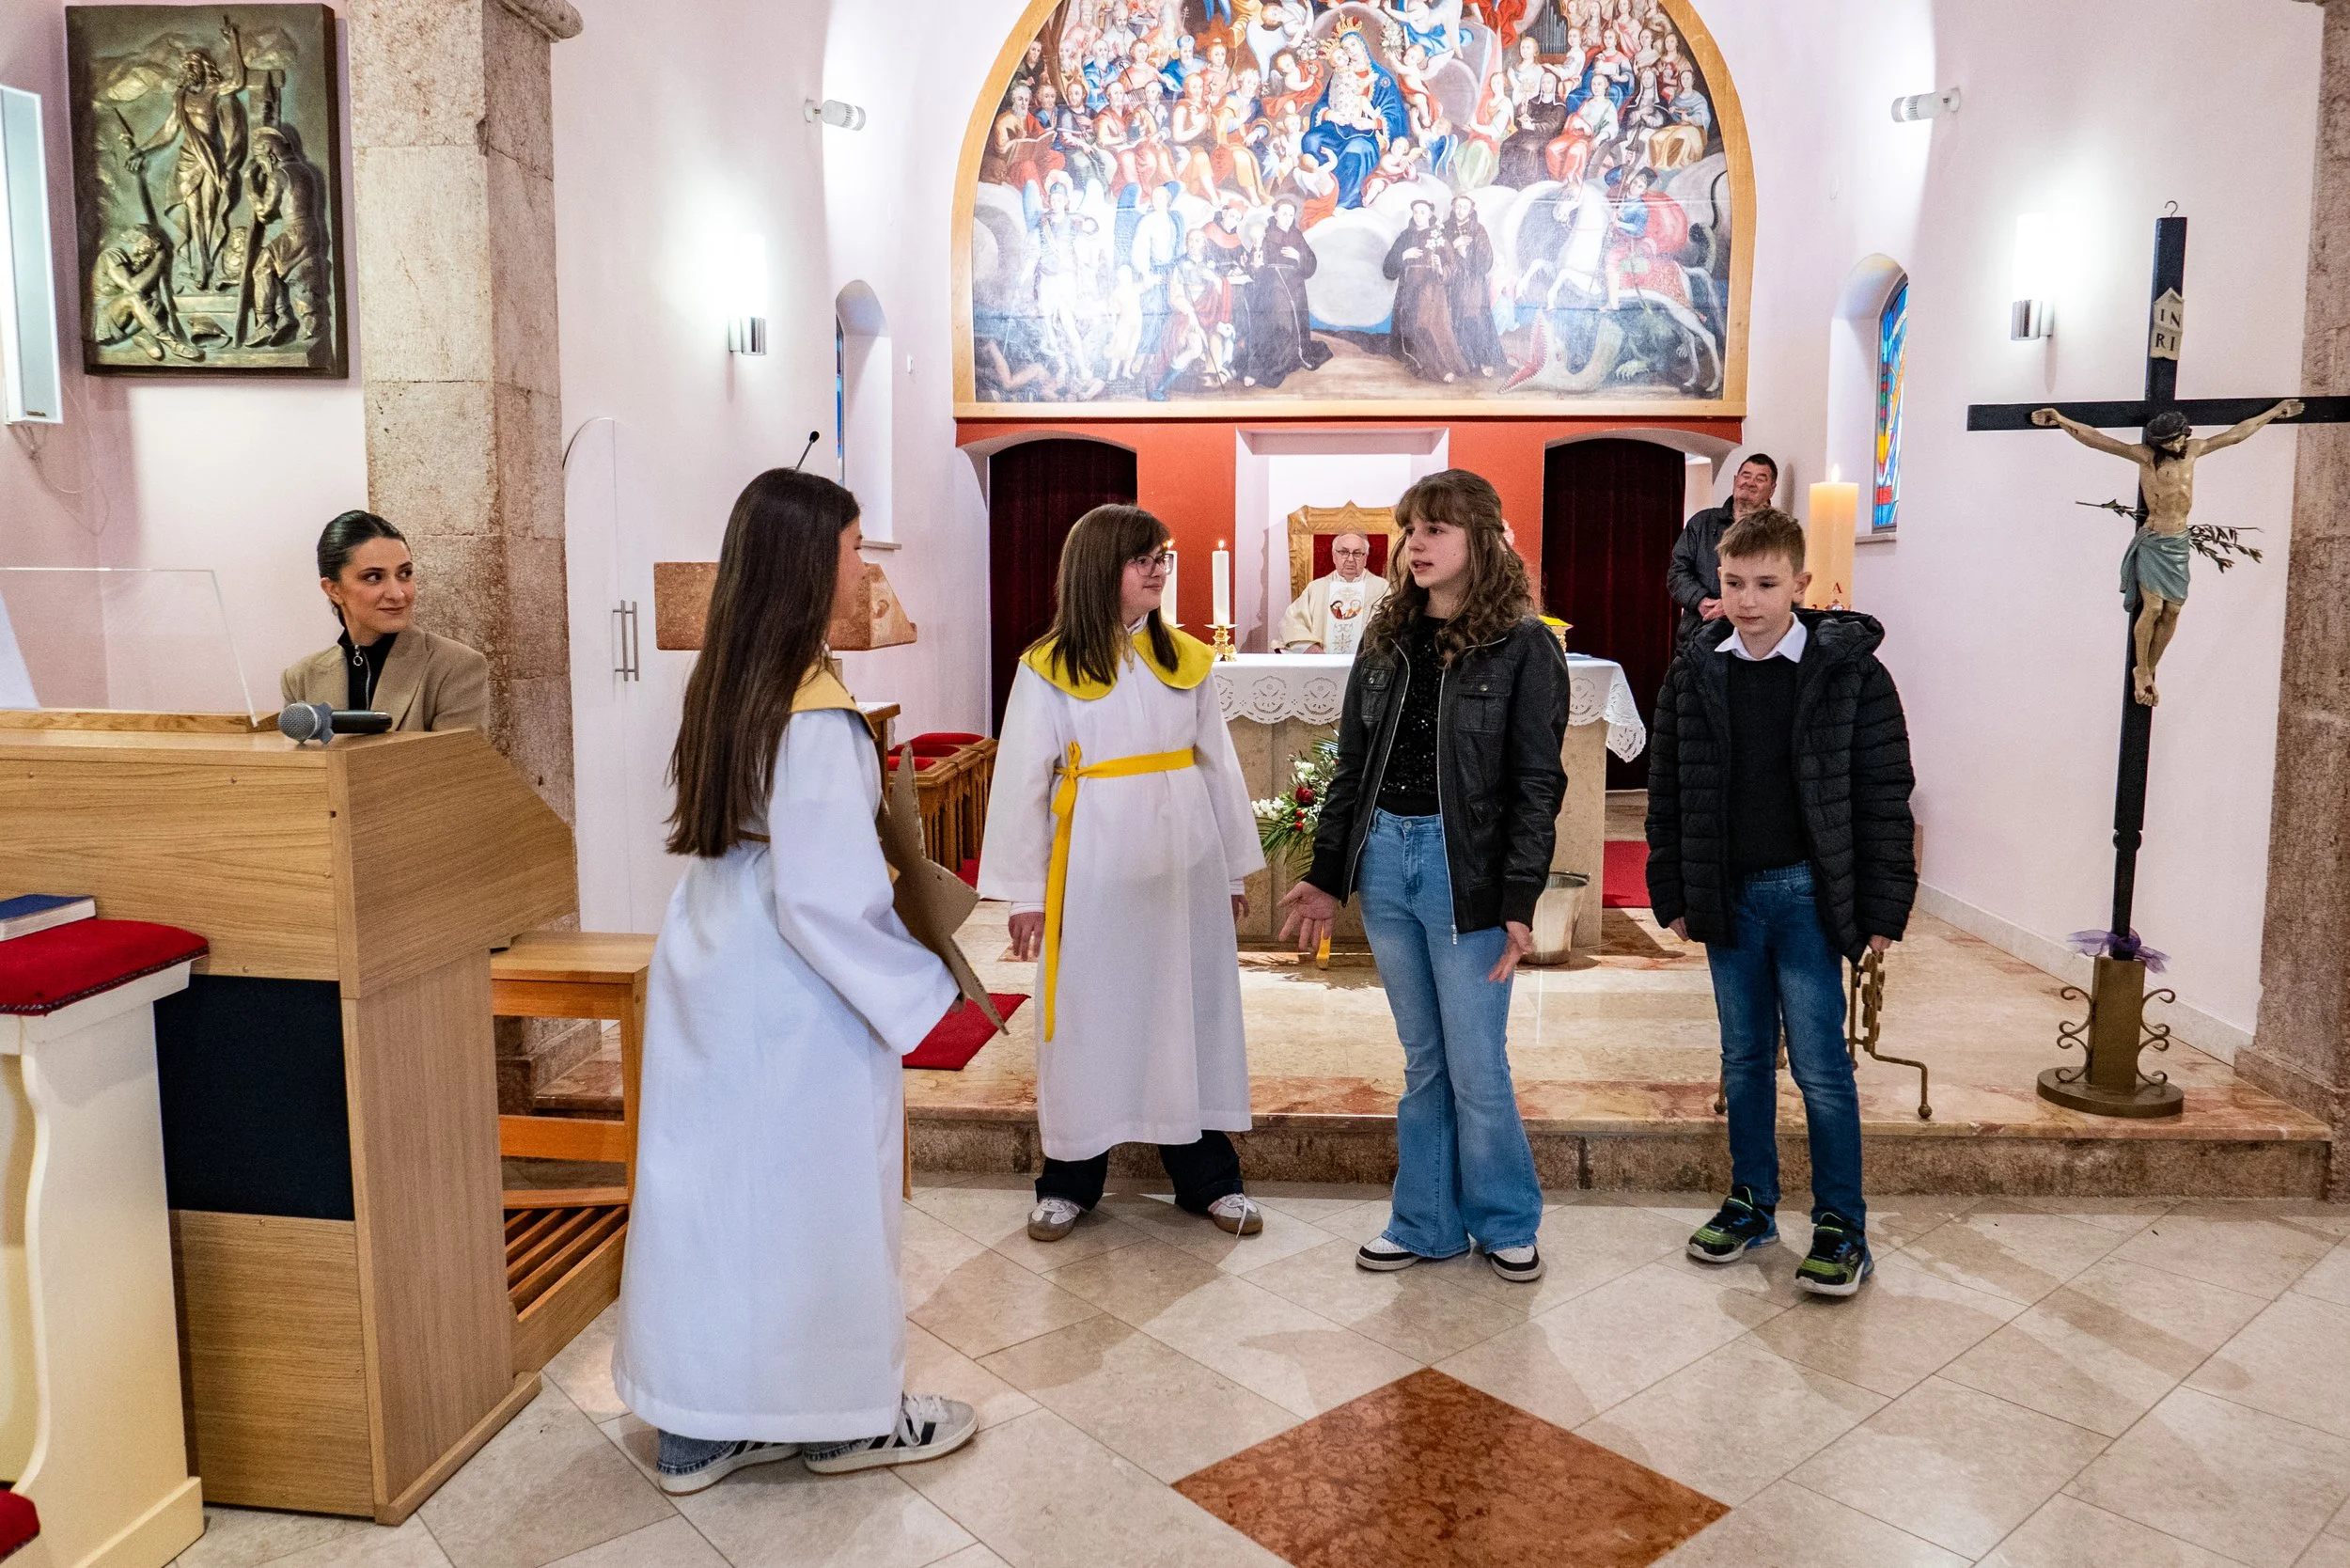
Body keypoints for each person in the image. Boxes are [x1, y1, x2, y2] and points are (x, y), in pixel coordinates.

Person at [612, 468, 977, 1493]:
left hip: (714, 955)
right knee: (819, 1201)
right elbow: (825, 899)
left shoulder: (730, 678)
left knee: (712, 1195)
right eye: (856, 549)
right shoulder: (813, 712)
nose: (865, 570)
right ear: (811, 561)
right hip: (794, 991)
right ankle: (845, 1421)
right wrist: (923, 987)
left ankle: (698, 1426)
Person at [1277, 470, 1568, 1283]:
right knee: (1424, 1062)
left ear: (1481, 539)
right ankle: (1425, 1222)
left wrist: (1519, 897)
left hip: (1460, 867)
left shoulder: (1523, 645)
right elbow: (1352, 767)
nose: (1415, 545)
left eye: (1436, 529)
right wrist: (1327, 873)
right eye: (1410, 530)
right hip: (1386, 861)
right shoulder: (1387, 636)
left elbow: (1536, 785)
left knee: (1477, 1063)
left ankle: (1505, 1220)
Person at [1645, 507, 1917, 1298]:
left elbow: (1883, 789)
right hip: (1728, 894)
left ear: (1800, 583)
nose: (1747, 600)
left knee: (1823, 1067)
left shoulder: (1849, 672)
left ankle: (1841, 1224)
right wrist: (1674, 887)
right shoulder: (1696, 669)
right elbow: (1669, 788)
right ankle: (1751, 1201)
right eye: (1733, 583)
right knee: (1743, 1058)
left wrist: (1882, 907)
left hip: (1807, 894)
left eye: (1765, 585)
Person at [979, 504, 1267, 1245]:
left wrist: (1233, 872)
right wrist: (1024, 892)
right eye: (1141, 559)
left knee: (1188, 1014)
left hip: (1183, 869)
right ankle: (1068, 1181)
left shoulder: (1188, 661)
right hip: (1093, 869)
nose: (1158, 570)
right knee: (1090, 1017)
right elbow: (1022, 781)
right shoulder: (1047, 666)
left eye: (1160, 558)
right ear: (1097, 569)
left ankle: (1209, 1179)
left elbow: (1218, 764)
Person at [281, 510, 489, 730]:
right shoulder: (301, 678)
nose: (397, 594)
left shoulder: (455, 666)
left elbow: (456, 754)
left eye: (405, 574)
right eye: (373, 577)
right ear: (333, 590)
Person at [1667, 451, 1777, 643]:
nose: (1750, 482)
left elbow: (1777, 584)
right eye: (1746, 475)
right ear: (1735, 480)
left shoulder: (1778, 533)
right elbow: (1677, 573)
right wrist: (1701, 601)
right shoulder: (1701, 523)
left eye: (1760, 479)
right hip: (1696, 634)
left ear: (1772, 490)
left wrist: (1734, 606)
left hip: (1752, 639)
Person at [1277, 530, 1390, 652]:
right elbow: (1291, 622)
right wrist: (1308, 646)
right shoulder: (1316, 588)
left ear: (1365, 558)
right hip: (1323, 661)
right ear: (1334, 556)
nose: (1350, 559)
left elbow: (1391, 625)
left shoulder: (1381, 588)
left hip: (1366, 660)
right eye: (1344, 552)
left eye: (1357, 553)